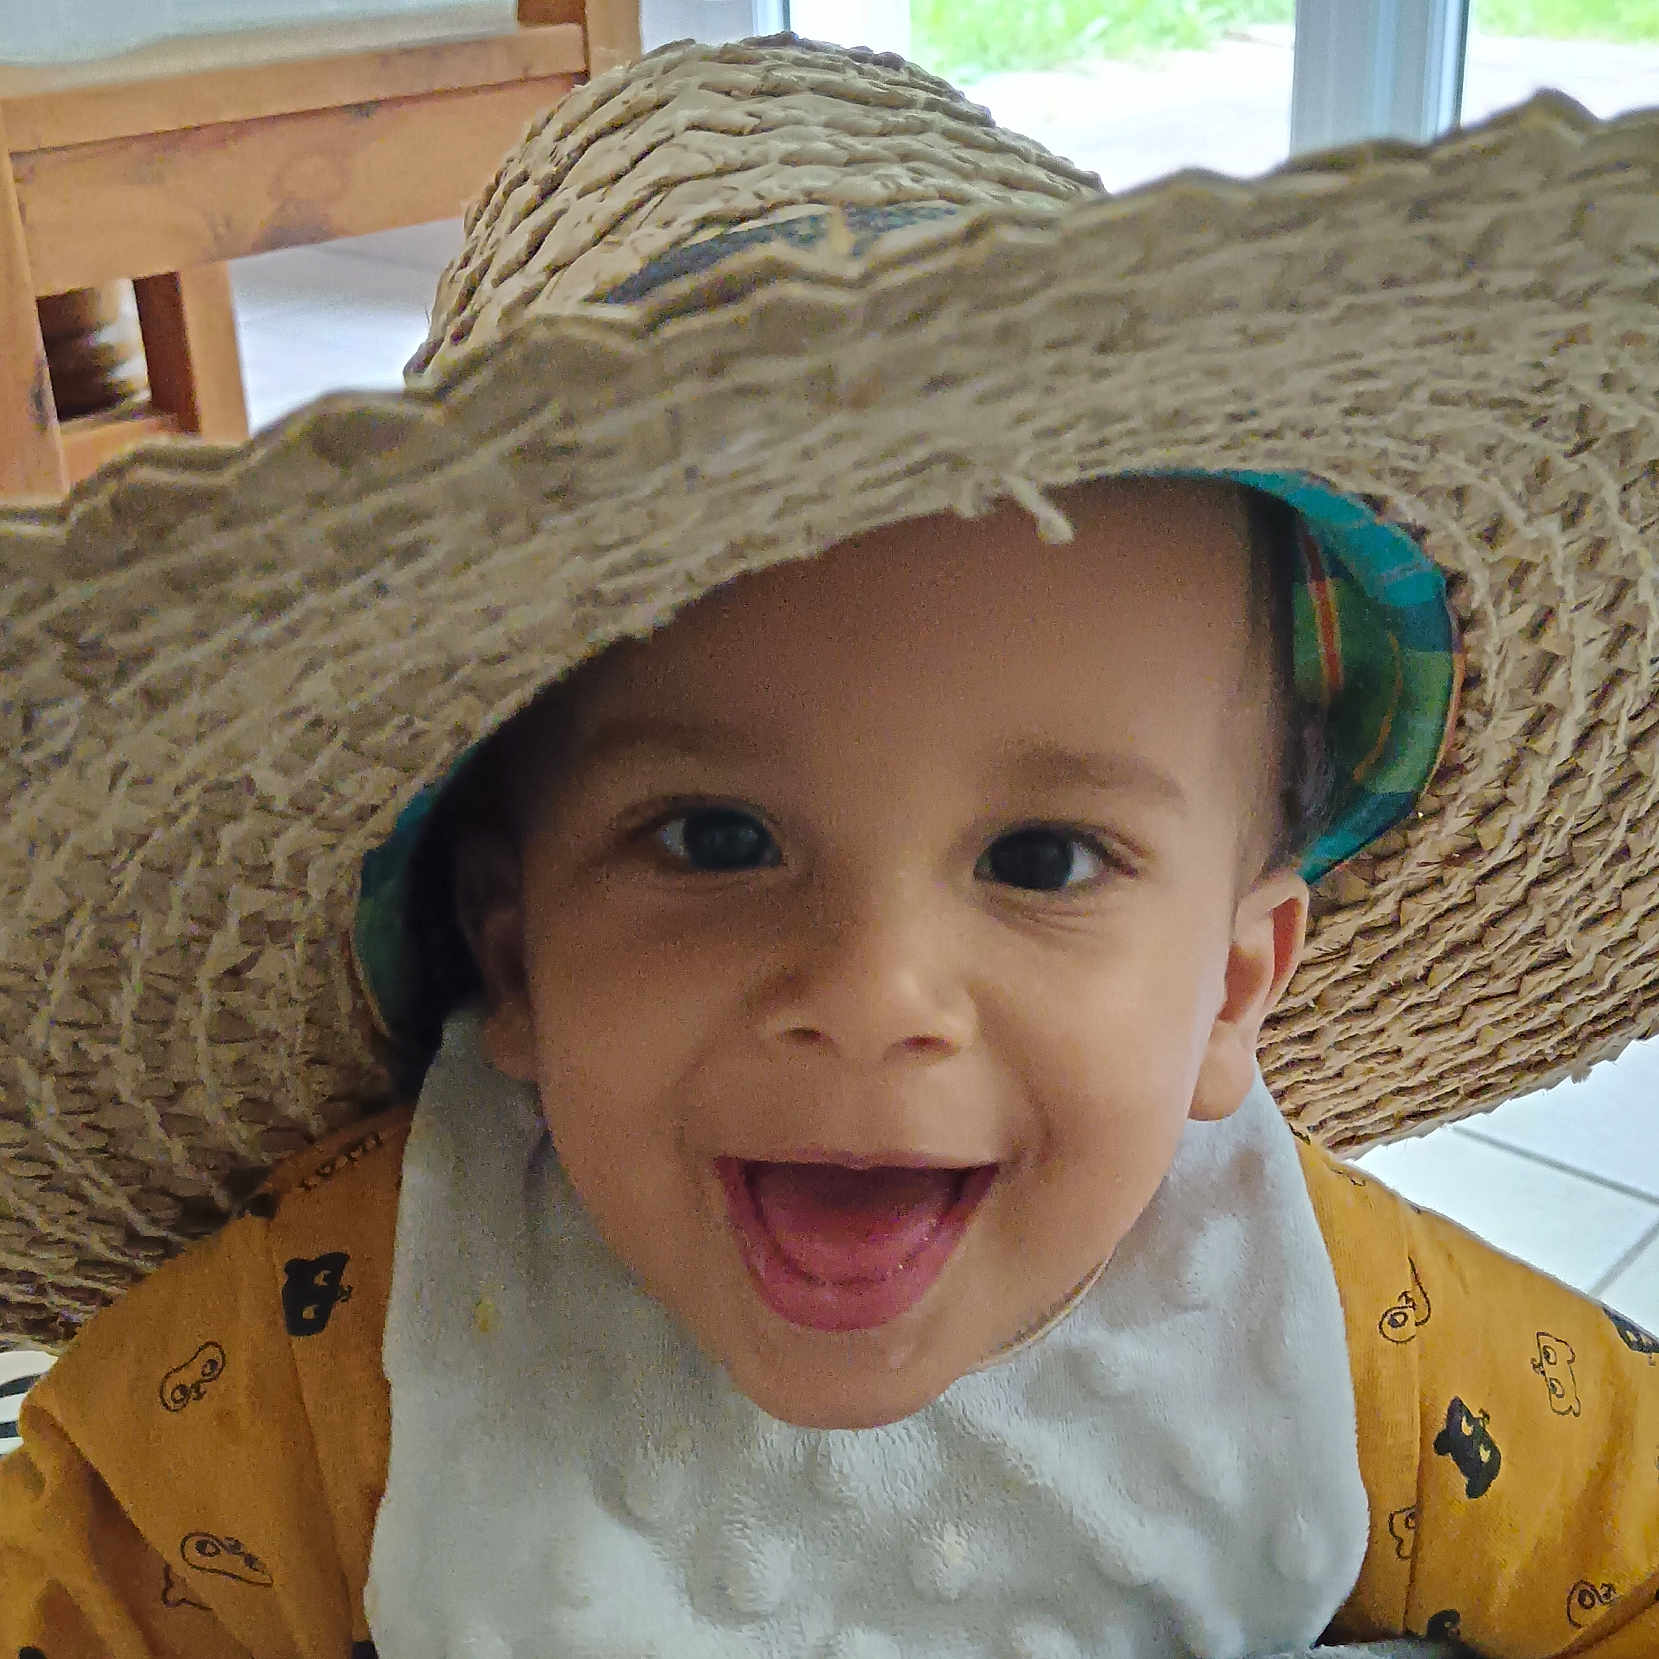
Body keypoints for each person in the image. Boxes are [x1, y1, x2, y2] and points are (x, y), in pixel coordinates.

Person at [1, 33, 1655, 1659]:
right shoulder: (360, 1318)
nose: (874, 995)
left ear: (1232, 987)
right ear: (516, 950)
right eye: (717, 838)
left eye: (1044, 859)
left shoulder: (1322, 1321)